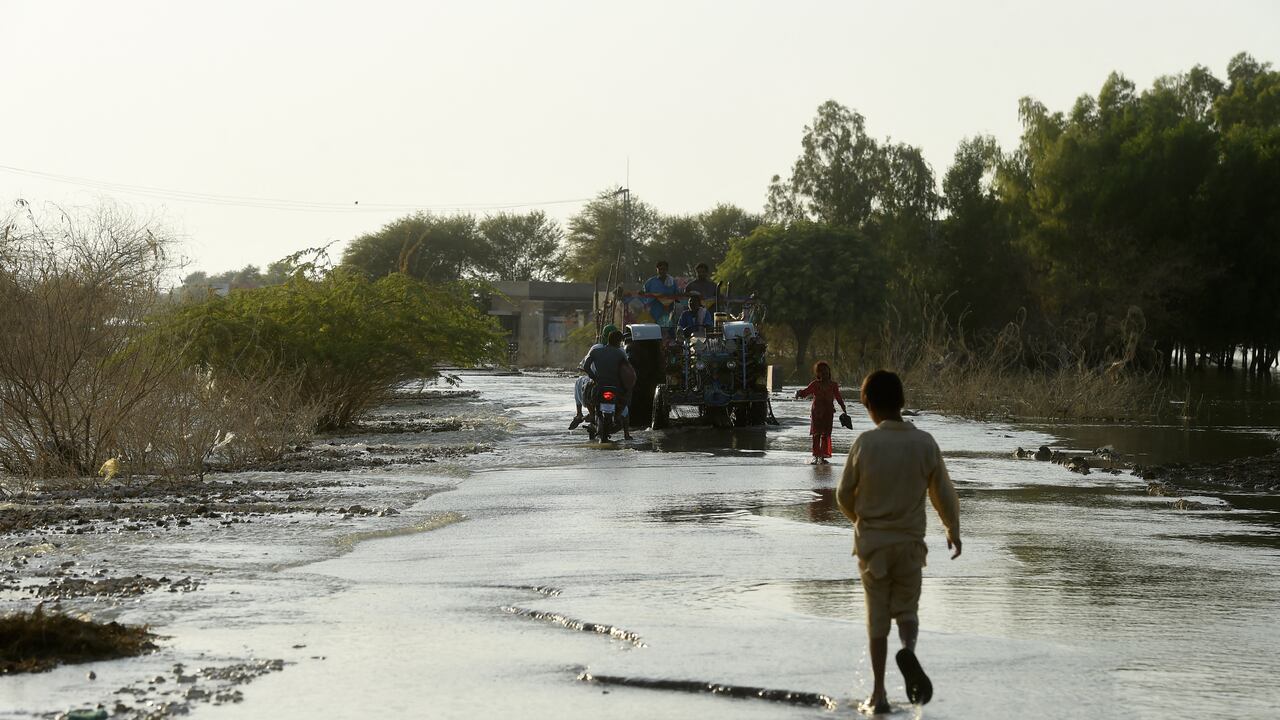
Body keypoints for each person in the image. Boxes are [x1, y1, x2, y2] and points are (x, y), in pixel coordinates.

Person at [836, 369, 961, 715]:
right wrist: (952, 530)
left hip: (873, 546)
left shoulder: (865, 443)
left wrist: (860, 520)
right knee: (907, 610)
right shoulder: (924, 443)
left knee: (877, 618)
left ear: (868, 405)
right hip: (910, 545)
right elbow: (944, 494)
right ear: (902, 403)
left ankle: (878, 695)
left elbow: (843, 494)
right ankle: (908, 649)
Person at [795, 360, 847, 464]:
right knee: (816, 434)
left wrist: (843, 407)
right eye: (822, 372)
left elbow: (838, 397)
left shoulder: (833, 385)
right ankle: (815, 456)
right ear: (818, 374)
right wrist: (798, 393)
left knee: (826, 434)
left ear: (829, 372)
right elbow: (805, 392)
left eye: (826, 372)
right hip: (816, 413)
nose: (824, 374)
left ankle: (822, 457)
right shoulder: (815, 384)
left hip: (828, 412)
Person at [584, 330, 632, 435]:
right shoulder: (621, 353)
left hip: (599, 385)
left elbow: (586, 367)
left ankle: (592, 416)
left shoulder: (595, 351)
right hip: (616, 386)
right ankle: (618, 416)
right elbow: (628, 371)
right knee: (626, 397)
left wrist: (594, 377)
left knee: (587, 393)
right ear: (619, 342)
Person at [570, 323, 617, 430]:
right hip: (615, 383)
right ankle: (626, 432)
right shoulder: (620, 350)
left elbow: (585, 366)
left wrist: (594, 377)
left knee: (580, 382)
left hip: (598, 381)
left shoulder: (596, 348)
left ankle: (580, 413)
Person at [643, 260, 678, 326]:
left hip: (668, 312)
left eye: (664, 269)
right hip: (654, 311)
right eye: (660, 269)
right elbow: (644, 294)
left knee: (668, 332)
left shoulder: (672, 281)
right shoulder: (651, 282)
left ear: (667, 270)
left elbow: (677, 295)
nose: (662, 271)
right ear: (657, 270)